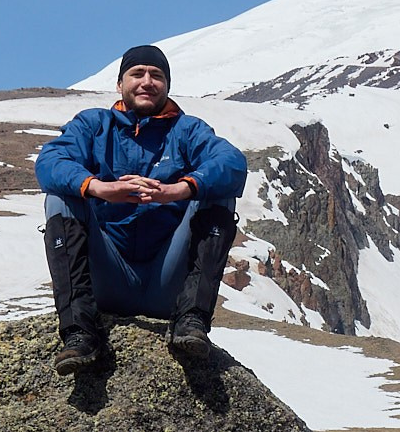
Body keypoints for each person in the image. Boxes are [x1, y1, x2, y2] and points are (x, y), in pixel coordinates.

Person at [34, 45, 247, 374]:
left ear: (167, 86)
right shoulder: (94, 125)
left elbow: (232, 163)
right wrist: (99, 189)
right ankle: (80, 333)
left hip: (167, 283)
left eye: (157, 76)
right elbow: (49, 162)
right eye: (138, 74)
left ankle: (191, 320)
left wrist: (181, 189)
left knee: (218, 193)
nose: (147, 81)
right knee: (61, 196)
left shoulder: (187, 131)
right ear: (120, 84)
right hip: (108, 277)